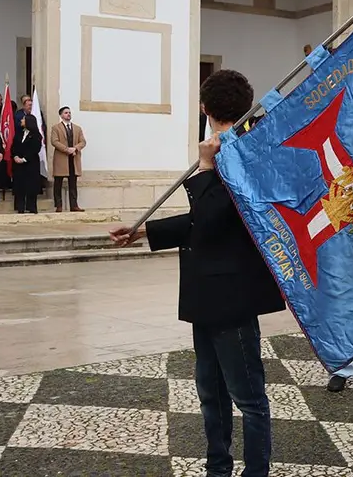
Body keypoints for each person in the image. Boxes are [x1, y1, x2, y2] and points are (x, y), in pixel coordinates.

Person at [108, 69, 285, 477]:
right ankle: (218, 468)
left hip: (232, 299)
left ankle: (256, 472)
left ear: (204, 108)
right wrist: (143, 232)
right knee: (211, 393)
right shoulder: (231, 150)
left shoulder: (244, 154)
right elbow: (200, 220)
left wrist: (206, 168)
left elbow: (209, 220)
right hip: (206, 297)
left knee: (249, 397)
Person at [49, 106, 86, 212]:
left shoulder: (77, 128)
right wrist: (66, 149)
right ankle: (59, 205)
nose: (68, 114)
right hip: (61, 159)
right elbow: (54, 141)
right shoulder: (56, 128)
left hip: (73, 159)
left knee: (73, 183)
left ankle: (74, 205)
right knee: (58, 183)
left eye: (69, 112)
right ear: (61, 115)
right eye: (66, 113)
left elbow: (83, 142)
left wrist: (75, 148)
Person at [11, 115, 41, 214]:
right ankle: (20, 207)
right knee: (20, 186)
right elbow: (13, 146)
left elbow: (35, 149)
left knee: (31, 186)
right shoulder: (19, 133)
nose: (21, 120)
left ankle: (31, 207)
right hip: (18, 165)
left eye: (23, 119)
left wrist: (24, 159)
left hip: (30, 164)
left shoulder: (36, 135)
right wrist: (15, 156)